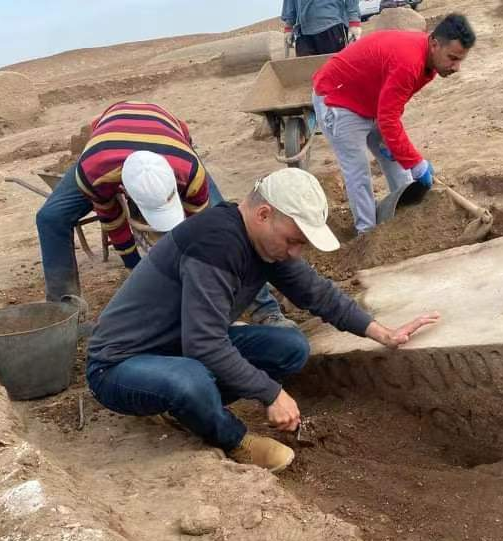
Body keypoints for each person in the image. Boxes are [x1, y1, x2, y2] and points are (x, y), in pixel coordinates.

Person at [86, 168, 439, 472]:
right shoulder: (215, 245)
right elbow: (204, 343)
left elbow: (316, 292)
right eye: (293, 240)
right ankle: (233, 439)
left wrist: (381, 333)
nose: (295, 252)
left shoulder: (264, 243)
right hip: (119, 366)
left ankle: (187, 407)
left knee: (291, 347)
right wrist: (272, 394)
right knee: (190, 379)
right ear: (264, 214)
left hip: (178, 349)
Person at [35, 100, 291, 326]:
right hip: (107, 145)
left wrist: (197, 277)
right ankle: (64, 313)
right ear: (124, 190)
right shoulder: (94, 173)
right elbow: (112, 221)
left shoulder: (190, 171)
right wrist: (136, 267)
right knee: (49, 218)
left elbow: (203, 230)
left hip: (169, 135)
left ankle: (266, 309)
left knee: (226, 224)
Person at [312, 13, 476, 234]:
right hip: (337, 97)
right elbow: (389, 119)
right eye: (453, 58)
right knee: (358, 171)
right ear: (435, 44)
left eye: (460, 60)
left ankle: (408, 217)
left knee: (398, 161)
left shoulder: (429, 62)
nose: (456, 68)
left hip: (370, 100)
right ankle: (367, 233)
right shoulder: (409, 62)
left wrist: (403, 154)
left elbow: (391, 109)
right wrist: (417, 162)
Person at [282, 0, 362, 57]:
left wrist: (354, 21)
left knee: (335, 70)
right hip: (303, 32)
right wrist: (288, 26)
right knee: (306, 73)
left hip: (331, 25)